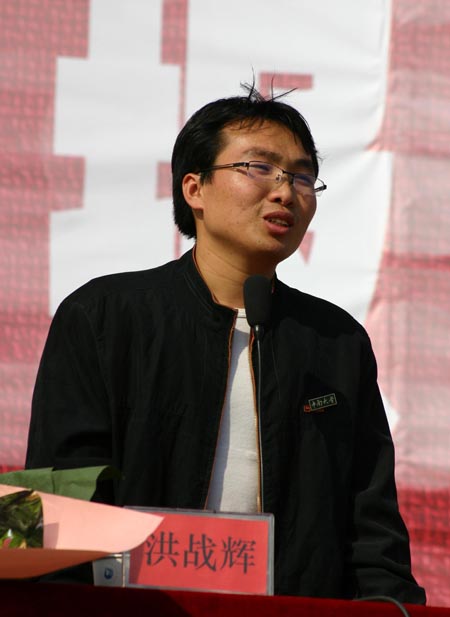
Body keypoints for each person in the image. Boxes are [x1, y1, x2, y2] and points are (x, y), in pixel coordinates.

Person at [26, 85, 426, 603]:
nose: (285, 192)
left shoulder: (336, 342)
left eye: (302, 177)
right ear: (194, 189)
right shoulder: (105, 317)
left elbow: (372, 531)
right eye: (259, 168)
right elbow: (58, 507)